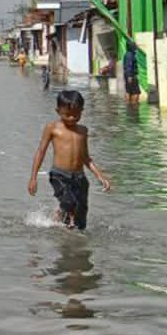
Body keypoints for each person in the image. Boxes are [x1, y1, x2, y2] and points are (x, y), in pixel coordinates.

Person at [27, 90, 112, 230]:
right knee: (69, 201)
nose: (72, 118)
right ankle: (62, 216)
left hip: (79, 177)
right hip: (59, 175)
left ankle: (71, 234)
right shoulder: (52, 128)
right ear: (58, 111)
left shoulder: (83, 131)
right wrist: (33, 178)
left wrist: (100, 177)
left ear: (82, 111)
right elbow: (41, 151)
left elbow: (86, 158)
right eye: (67, 114)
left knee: (81, 217)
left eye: (76, 114)